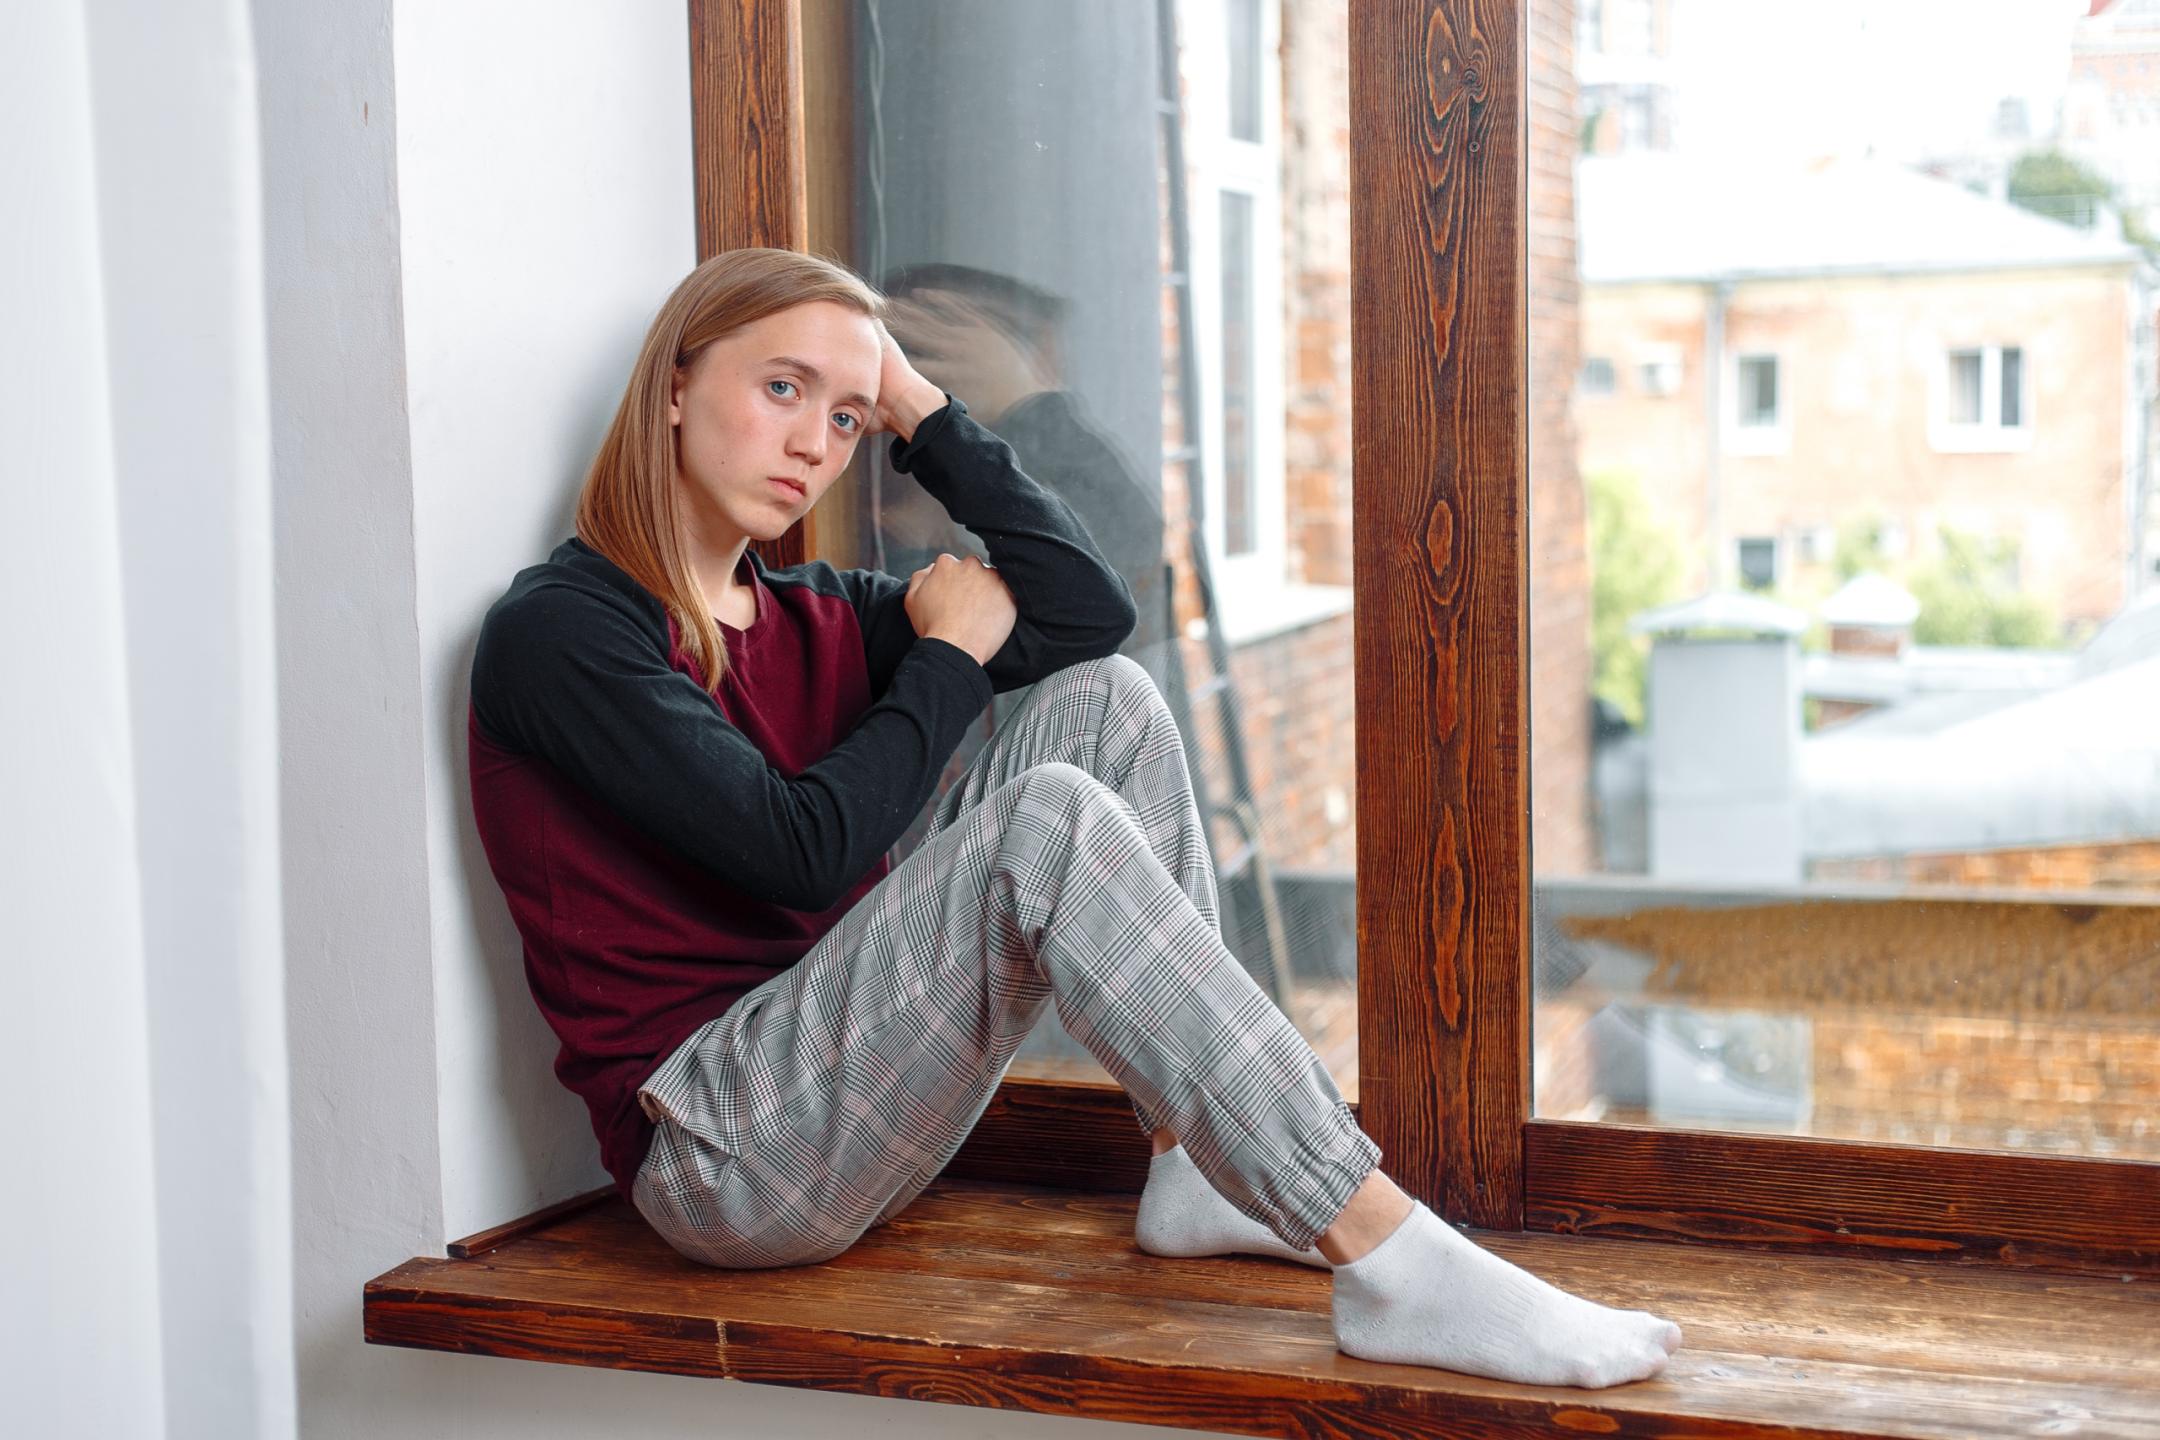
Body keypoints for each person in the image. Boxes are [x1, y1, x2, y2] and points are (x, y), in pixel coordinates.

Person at [465, 247, 1683, 1389]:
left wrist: (924, 413)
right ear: (675, 388)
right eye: (781, 388)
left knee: (1106, 703)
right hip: (724, 1154)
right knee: (1045, 820)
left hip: (844, 1094)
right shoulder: (566, 631)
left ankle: (1193, 1168)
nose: (812, 444)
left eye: (844, 418)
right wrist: (945, 659)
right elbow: (801, 852)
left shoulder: (811, 613)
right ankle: (1387, 1251)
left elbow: (1089, 613)